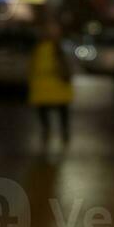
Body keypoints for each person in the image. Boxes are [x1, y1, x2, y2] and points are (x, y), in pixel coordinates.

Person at [28, 18, 73, 152]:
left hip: (56, 84)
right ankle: (49, 132)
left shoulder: (58, 47)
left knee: (60, 110)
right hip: (45, 85)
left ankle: (58, 132)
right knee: (47, 111)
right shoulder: (41, 47)